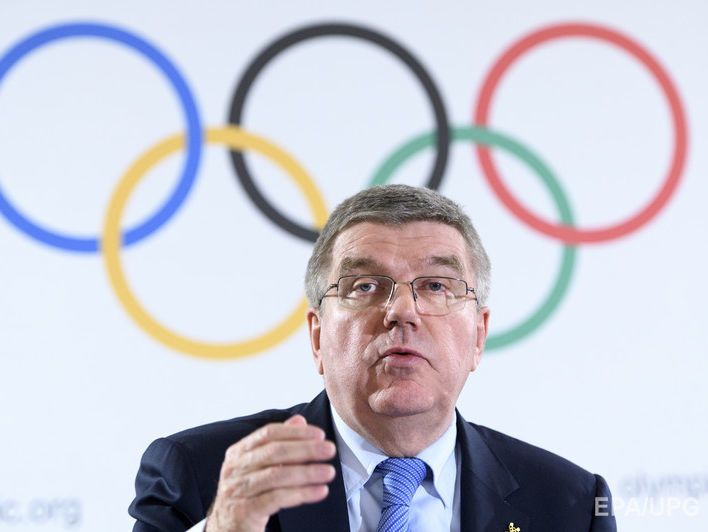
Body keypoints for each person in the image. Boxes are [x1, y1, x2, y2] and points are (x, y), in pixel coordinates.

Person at [129, 184, 616, 531]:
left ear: (479, 336)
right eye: (364, 286)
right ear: (317, 335)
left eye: (436, 285)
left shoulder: (568, 505)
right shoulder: (200, 476)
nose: (401, 310)